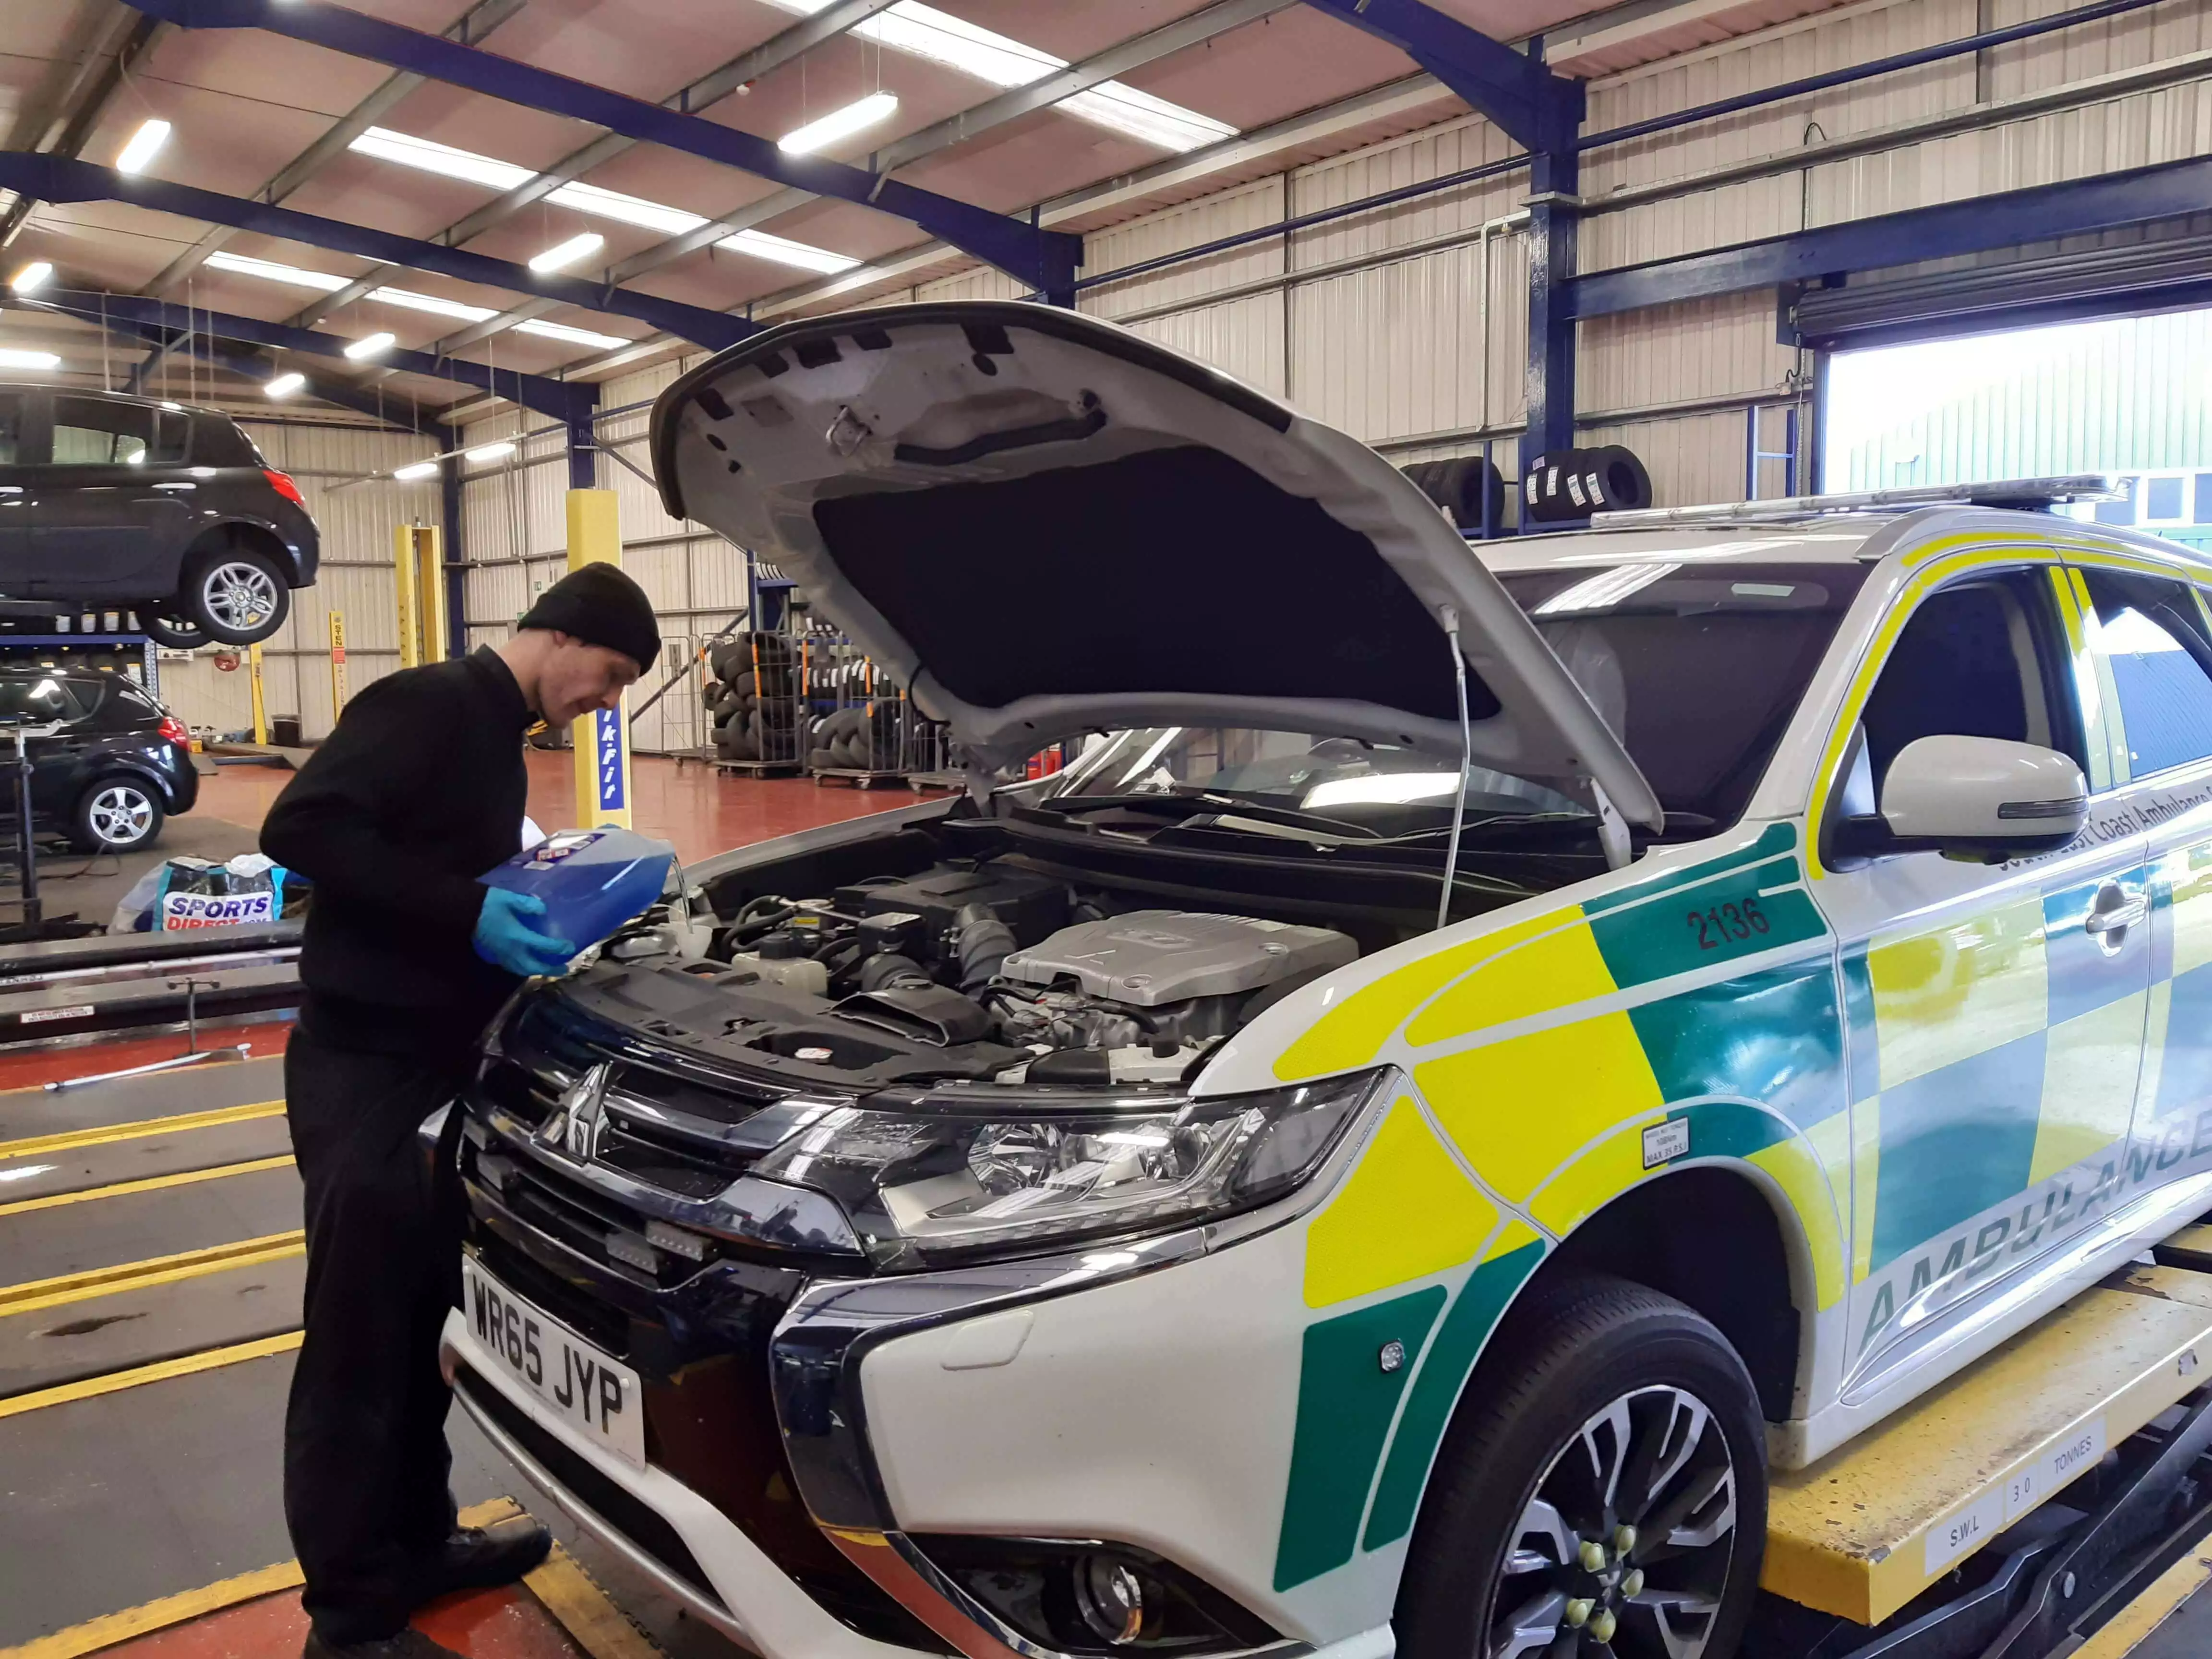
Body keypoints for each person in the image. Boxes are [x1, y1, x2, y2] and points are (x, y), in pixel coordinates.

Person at [261, 564, 660, 1659]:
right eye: (613, 674)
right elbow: (304, 827)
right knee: (357, 1346)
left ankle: (421, 1542)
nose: (609, 701)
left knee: (420, 1323)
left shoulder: (496, 735)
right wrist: (467, 911)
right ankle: (349, 1621)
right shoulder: (431, 703)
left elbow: (444, 866)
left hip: (439, 1066)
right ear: (564, 636)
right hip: (367, 1068)